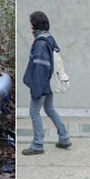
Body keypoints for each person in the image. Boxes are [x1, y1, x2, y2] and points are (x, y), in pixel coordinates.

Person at [22, 11, 71, 155]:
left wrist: (37, 89)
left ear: (34, 24)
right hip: (49, 81)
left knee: (34, 111)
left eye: (31, 22)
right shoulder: (49, 38)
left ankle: (37, 145)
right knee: (49, 108)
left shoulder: (40, 43)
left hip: (42, 83)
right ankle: (64, 138)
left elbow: (40, 69)